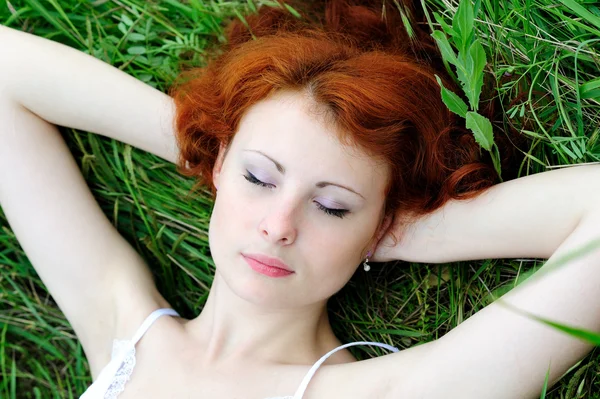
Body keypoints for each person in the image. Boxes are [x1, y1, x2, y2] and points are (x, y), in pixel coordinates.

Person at [1, 0, 599, 398]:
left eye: (332, 206)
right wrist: (206, 143)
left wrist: (409, 229)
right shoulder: (120, 329)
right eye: (259, 178)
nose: (278, 225)